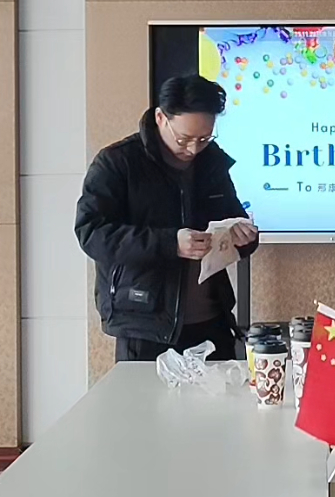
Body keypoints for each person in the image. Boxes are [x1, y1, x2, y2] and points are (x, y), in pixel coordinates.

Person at [75, 75, 258, 362]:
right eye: (184, 139)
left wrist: (243, 238)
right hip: (145, 326)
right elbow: (92, 233)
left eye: (204, 139)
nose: (193, 149)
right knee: (146, 394)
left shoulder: (211, 162)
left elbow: (233, 218)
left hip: (213, 321)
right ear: (161, 118)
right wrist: (170, 244)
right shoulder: (118, 162)